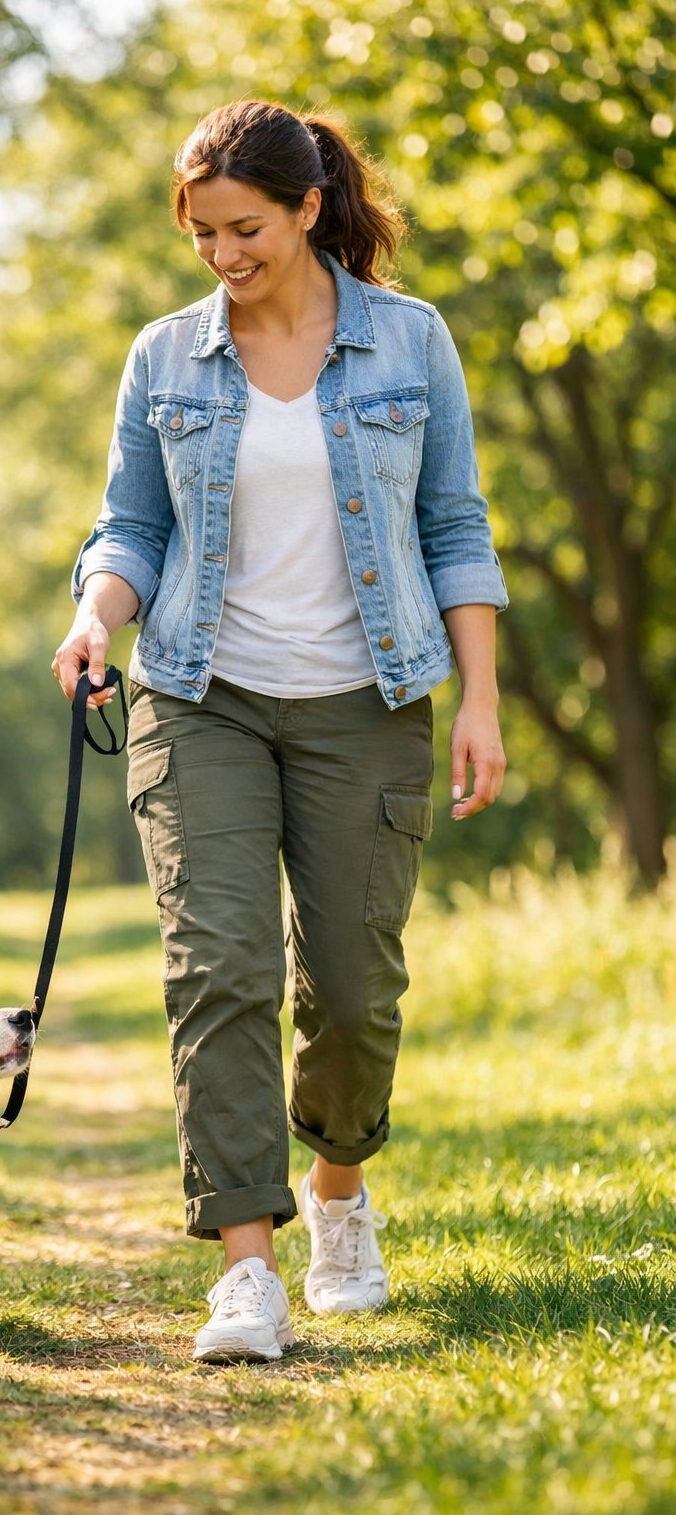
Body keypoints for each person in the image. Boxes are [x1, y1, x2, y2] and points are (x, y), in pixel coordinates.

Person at [52, 99, 508, 1363]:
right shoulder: (166, 356)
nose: (221, 256)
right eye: (201, 234)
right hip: (200, 695)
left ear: (309, 209)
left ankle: (338, 1194)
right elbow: (129, 528)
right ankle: (246, 1269)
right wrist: (98, 618)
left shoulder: (410, 344)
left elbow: (455, 530)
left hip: (368, 700)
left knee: (353, 991)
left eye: (242, 229)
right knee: (221, 968)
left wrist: (477, 697)